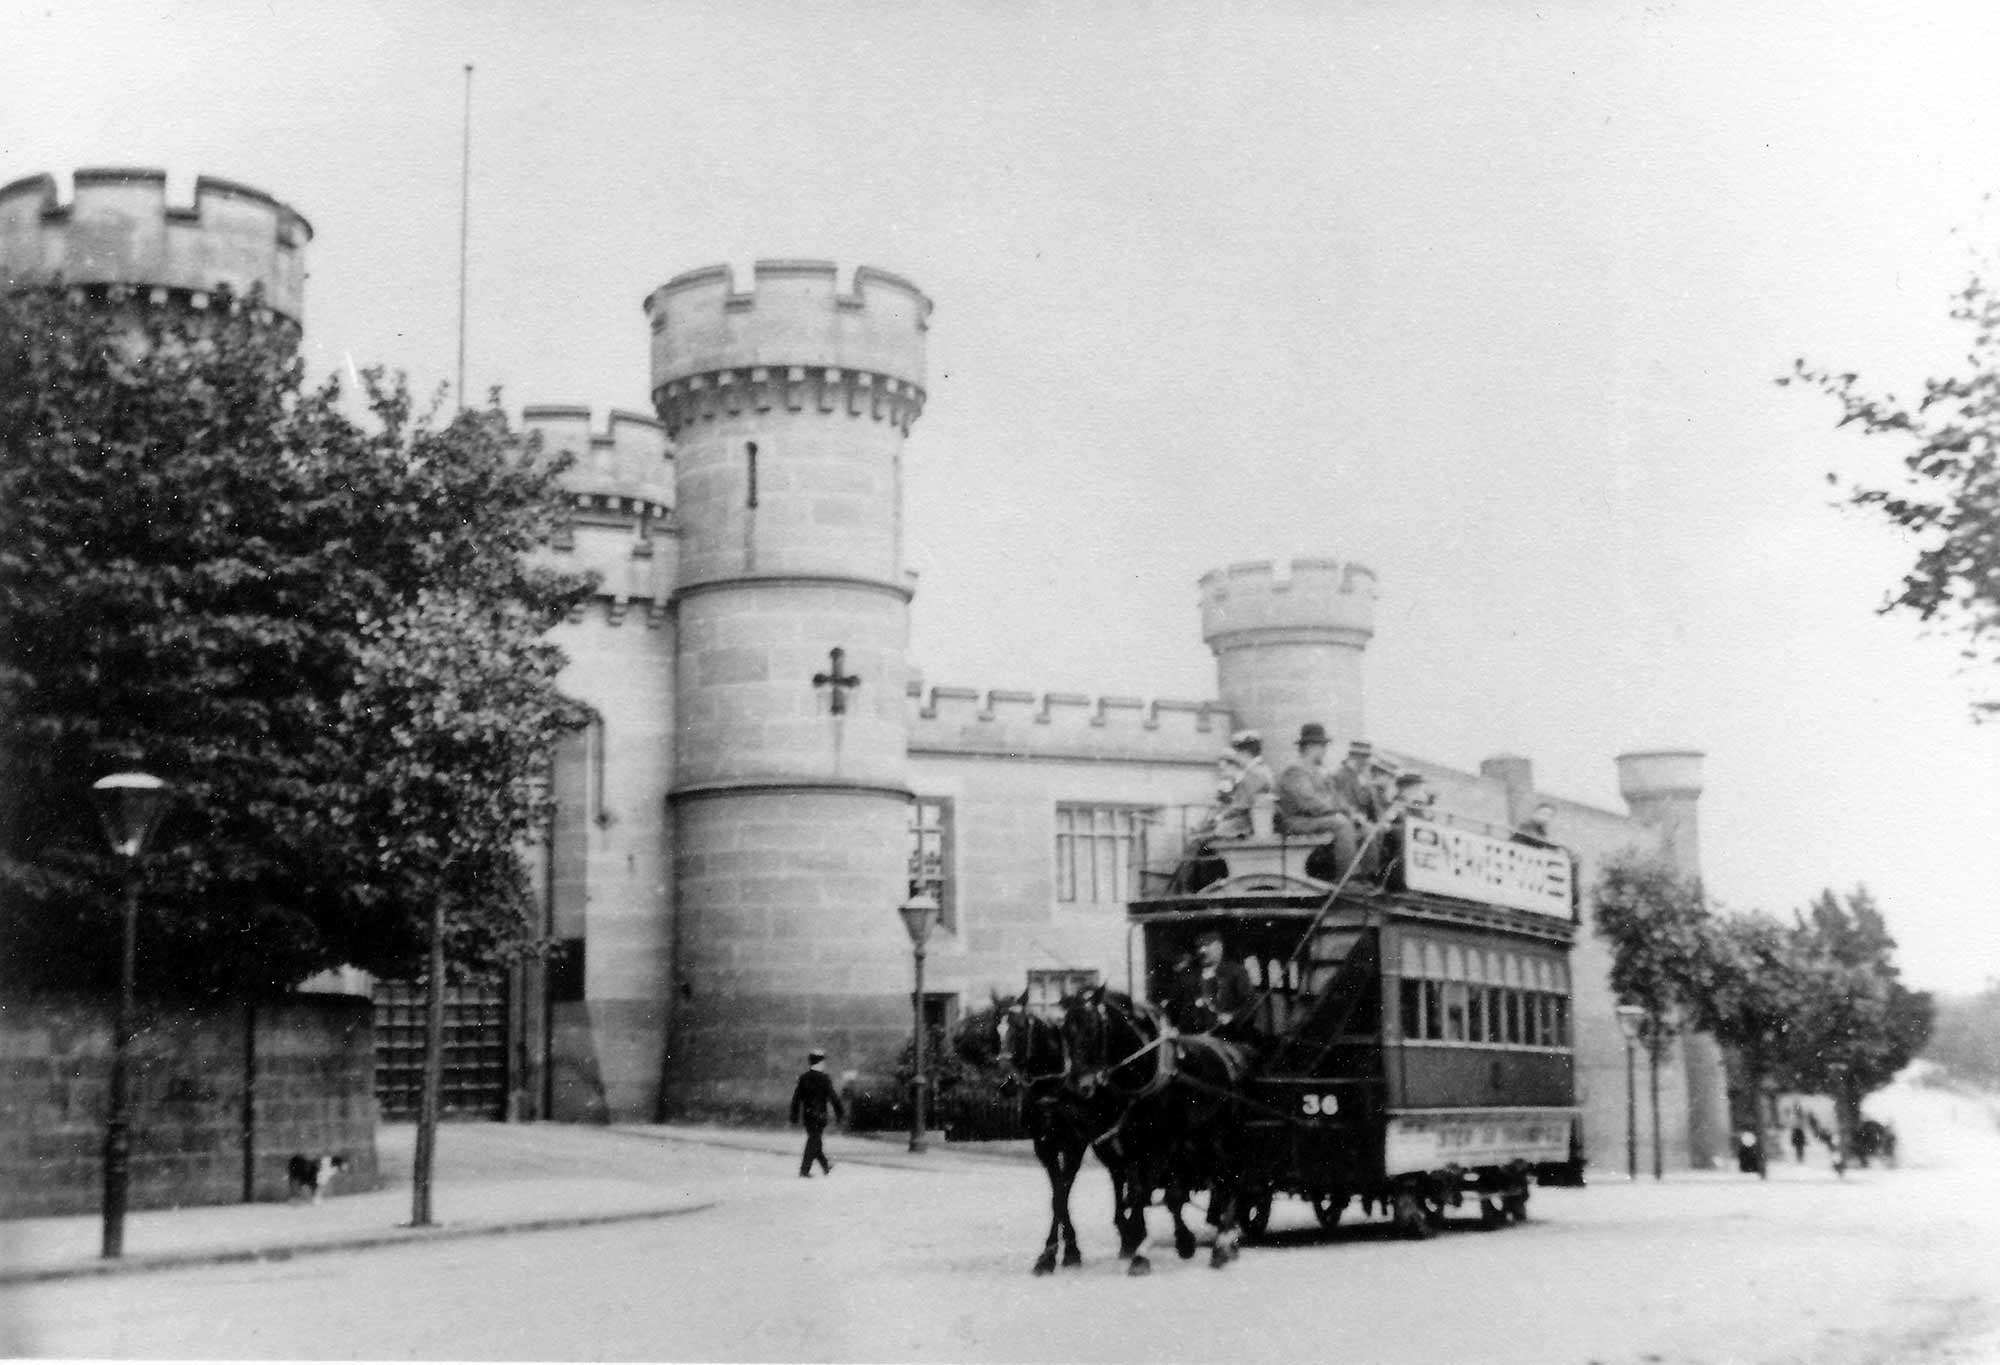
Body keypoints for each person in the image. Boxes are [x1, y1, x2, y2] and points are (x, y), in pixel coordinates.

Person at [1277, 722, 1364, 879]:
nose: (1325, 750)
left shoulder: (1319, 771)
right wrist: (1338, 811)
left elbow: (1336, 797)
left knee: (1362, 826)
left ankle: (1368, 874)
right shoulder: (1295, 771)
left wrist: (1353, 813)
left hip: (1314, 818)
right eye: (1322, 746)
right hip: (1297, 821)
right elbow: (1309, 802)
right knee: (1341, 823)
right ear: (1310, 747)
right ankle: (1346, 879)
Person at [789, 1048, 845, 1178]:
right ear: (820, 1063)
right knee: (814, 1142)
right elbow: (833, 1097)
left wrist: (794, 1115)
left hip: (808, 1116)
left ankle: (826, 1165)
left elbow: (796, 1098)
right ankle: (804, 1170)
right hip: (820, 1115)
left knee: (815, 1141)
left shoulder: (804, 1078)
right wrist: (840, 1113)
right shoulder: (824, 1079)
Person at [1192, 928, 1256, 1040]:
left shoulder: (1236, 972)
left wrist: (1232, 1017)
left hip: (1230, 1035)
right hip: (1199, 1034)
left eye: (1207, 945)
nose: (1202, 951)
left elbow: (1250, 1003)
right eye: (1199, 947)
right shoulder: (1194, 975)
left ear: (1219, 948)